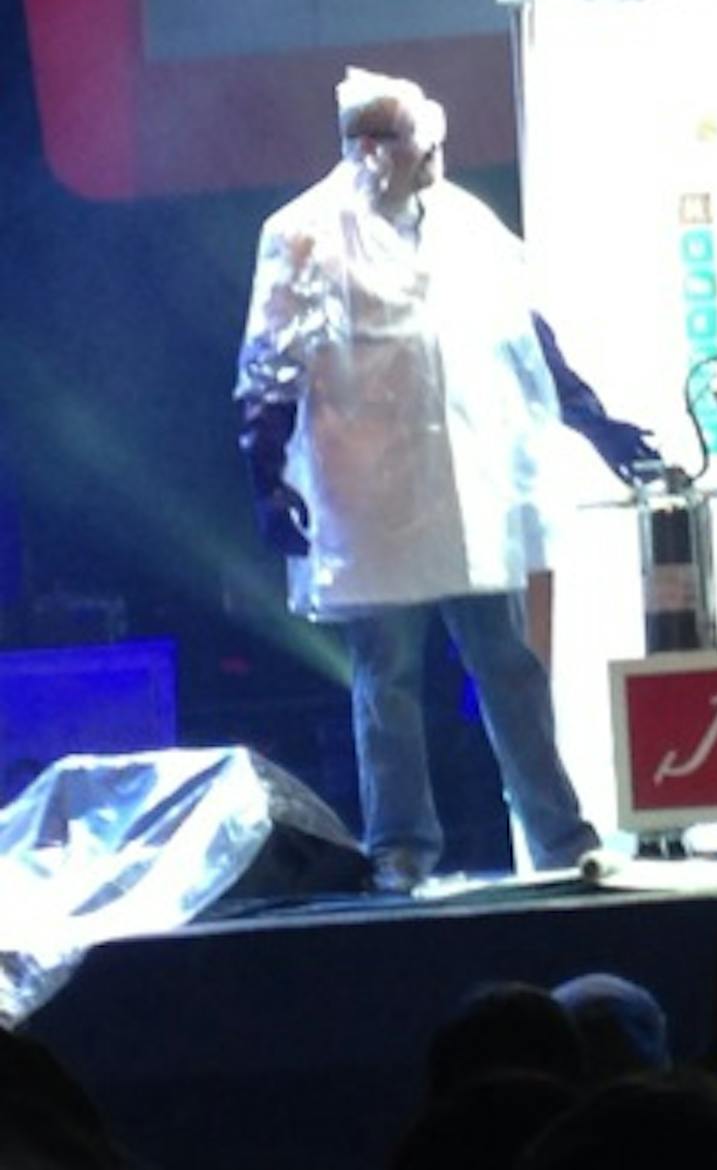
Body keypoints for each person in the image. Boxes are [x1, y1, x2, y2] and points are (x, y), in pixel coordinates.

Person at [234, 68, 653, 892]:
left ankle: (561, 835)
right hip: (368, 494)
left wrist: (592, 417)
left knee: (508, 664)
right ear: (372, 146)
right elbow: (269, 363)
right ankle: (399, 847)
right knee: (386, 677)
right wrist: (265, 473)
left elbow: (528, 338)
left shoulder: (466, 226)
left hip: (470, 485)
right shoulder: (306, 235)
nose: (432, 161)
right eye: (418, 145)